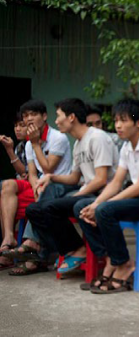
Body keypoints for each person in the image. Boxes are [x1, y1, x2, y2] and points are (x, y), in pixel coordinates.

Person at [73, 98, 139, 294]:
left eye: (123, 120)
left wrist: (101, 206)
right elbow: (115, 183)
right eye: (116, 121)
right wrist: (95, 203)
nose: (118, 126)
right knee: (81, 206)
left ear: (138, 122)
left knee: (104, 210)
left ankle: (124, 264)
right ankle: (111, 260)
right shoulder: (126, 147)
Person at [24, 98, 118, 275]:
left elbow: (101, 179)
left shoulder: (97, 138)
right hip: (87, 191)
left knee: (55, 207)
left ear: (72, 117)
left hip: (104, 194)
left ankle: (78, 250)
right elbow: (74, 178)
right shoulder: (78, 143)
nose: (56, 121)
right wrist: (51, 177)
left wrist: (75, 195)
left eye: (59, 116)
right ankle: (72, 249)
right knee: (34, 210)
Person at [2, 99, 74, 275]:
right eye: (26, 115)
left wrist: (35, 144)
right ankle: (10, 239)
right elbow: (33, 173)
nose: (29, 119)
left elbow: (48, 168)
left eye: (33, 114)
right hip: (42, 187)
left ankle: (30, 246)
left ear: (44, 116)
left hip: (61, 187)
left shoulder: (58, 138)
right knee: (8, 190)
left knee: (41, 201)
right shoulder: (28, 144)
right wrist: (35, 189)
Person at [0, 113, 28, 269]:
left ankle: (8, 243)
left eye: (21, 125)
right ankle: (7, 248)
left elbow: (24, 173)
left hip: (34, 186)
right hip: (21, 186)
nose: (17, 129)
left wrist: (9, 150)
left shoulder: (32, 144)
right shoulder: (20, 147)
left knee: (7, 187)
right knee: (3, 192)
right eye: (16, 125)